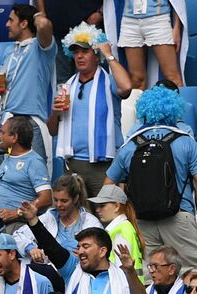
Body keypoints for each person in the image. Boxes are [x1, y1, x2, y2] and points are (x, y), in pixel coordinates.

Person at [106, 85, 197, 271]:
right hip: (180, 215)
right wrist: (195, 209)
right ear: (175, 109)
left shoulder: (130, 145)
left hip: (142, 219)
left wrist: (126, 213)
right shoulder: (185, 140)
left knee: (151, 274)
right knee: (191, 272)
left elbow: (108, 186)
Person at [52, 28, 132, 199]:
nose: (79, 56)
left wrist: (108, 55)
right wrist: (55, 112)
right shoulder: (67, 86)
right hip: (72, 164)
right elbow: (52, 130)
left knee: (106, 217)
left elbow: (126, 87)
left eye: (85, 51)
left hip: (104, 165)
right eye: (75, 52)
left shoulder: (109, 81)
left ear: (96, 55)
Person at [0, 4, 56, 168]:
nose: (6, 25)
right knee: (0, 175)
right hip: (6, 119)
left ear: (23, 24)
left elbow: (44, 25)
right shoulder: (9, 50)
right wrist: (0, 88)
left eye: (11, 20)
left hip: (30, 122)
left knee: (35, 179)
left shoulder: (42, 48)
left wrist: (35, 15)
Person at [0, 117, 52, 221]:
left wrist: (17, 212)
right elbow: (3, 182)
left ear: (14, 137)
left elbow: (46, 198)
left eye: (2, 133)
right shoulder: (9, 156)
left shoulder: (34, 162)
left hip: (14, 224)